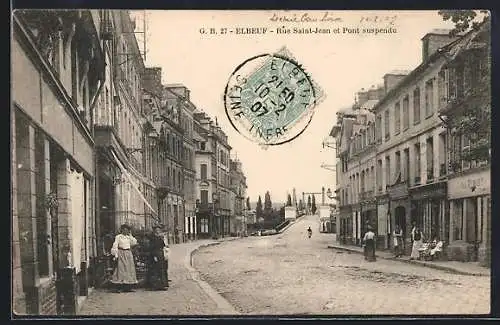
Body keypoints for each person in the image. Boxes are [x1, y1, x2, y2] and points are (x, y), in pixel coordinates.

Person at [110, 224, 138, 292]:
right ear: (121, 230)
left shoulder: (129, 237)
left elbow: (134, 242)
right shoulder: (118, 237)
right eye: (124, 230)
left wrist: (130, 235)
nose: (125, 231)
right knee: (121, 269)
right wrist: (116, 255)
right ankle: (119, 287)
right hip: (121, 253)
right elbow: (115, 245)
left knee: (129, 269)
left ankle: (128, 287)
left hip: (128, 253)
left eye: (127, 230)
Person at [147, 225, 169, 290]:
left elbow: (164, 246)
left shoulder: (160, 238)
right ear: (154, 231)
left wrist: (165, 254)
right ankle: (155, 285)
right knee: (155, 270)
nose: (157, 232)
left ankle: (162, 285)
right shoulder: (152, 238)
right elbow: (151, 248)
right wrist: (154, 256)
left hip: (161, 254)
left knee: (161, 269)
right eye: (156, 230)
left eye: (158, 230)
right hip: (155, 255)